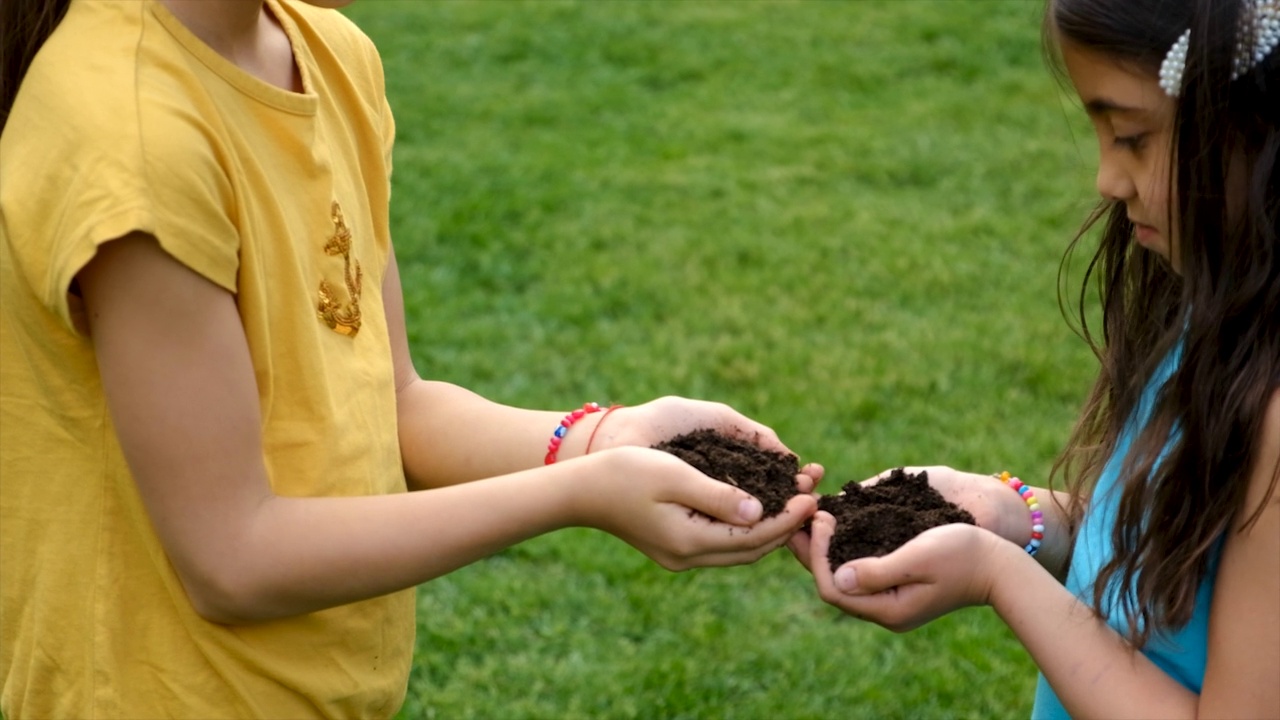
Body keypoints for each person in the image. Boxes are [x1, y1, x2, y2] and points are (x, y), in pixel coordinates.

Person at [0, 0, 822, 716]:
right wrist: (581, 493)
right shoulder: (133, 138)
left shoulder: (329, 56)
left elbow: (396, 405)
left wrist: (604, 438)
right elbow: (232, 559)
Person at [790, 0, 1279, 717]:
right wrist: (1015, 518)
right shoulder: (1212, 310)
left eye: (1132, 138)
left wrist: (998, 577)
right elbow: (1169, 546)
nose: (1107, 181)